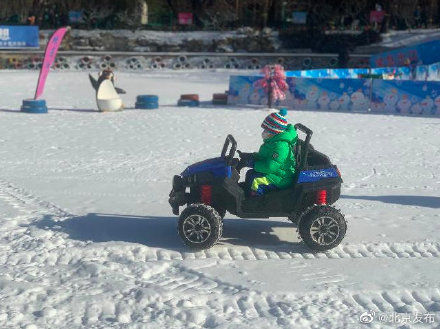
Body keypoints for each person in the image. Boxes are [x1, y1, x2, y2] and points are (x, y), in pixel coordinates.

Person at [238, 108, 298, 196]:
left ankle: (255, 203)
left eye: (267, 130)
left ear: (274, 132)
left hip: (281, 177)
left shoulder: (280, 146)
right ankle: (248, 193)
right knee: (250, 173)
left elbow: (270, 167)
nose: (264, 132)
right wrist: (250, 156)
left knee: (256, 181)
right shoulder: (272, 141)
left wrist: (253, 164)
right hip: (275, 173)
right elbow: (264, 156)